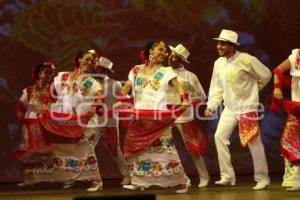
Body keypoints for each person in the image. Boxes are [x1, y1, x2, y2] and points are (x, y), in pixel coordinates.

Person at [204, 29, 271, 190]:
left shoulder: (247, 60)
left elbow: (266, 75)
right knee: (219, 136)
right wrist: (211, 105)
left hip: (247, 108)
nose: (219, 46)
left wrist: (254, 91)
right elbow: (217, 87)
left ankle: (262, 178)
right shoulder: (218, 63)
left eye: (223, 44)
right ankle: (227, 176)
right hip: (230, 108)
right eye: (218, 43)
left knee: (253, 141)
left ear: (232, 46)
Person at [120, 41, 190, 193]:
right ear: (151, 51)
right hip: (139, 117)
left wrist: (184, 100)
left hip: (159, 118)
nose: (164, 53)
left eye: (165, 51)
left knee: (166, 150)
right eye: (160, 49)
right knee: (137, 150)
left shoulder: (166, 72)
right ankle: (138, 181)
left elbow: (179, 88)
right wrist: (121, 100)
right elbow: (126, 88)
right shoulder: (136, 70)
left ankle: (182, 181)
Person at [49, 49, 103, 192]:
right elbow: (56, 93)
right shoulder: (66, 76)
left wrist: (94, 106)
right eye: (87, 59)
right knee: (69, 148)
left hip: (83, 116)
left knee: (85, 146)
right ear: (79, 60)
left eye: (92, 61)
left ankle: (97, 180)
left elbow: (99, 95)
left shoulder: (90, 81)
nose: (89, 62)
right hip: (68, 115)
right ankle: (71, 177)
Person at [167, 44, 210, 187]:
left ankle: (204, 176)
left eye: (176, 57)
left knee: (192, 147)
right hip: (165, 115)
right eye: (171, 54)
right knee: (164, 147)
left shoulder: (190, 76)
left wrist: (187, 103)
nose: (172, 58)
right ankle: (173, 178)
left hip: (184, 116)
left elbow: (202, 96)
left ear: (181, 60)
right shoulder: (162, 73)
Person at [16, 62, 55, 186]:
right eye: (46, 72)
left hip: (47, 123)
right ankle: (30, 179)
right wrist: (19, 113)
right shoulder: (29, 90)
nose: (49, 75)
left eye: (50, 72)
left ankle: (49, 179)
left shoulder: (54, 90)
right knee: (30, 150)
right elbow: (20, 105)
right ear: (39, 74)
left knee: (49, 150)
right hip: (30, 123)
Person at [93, 56, 130, 185]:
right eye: (97, 68)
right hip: (95, 121)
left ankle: (126, 175)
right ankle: (90, 177)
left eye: (100, 69)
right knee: (88, 148)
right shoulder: (92, 84)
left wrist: (114, 109)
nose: (98, 70)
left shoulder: (115, 84)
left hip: (111, 122)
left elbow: (126, 101)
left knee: (115, 149)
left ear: (106, 71)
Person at [273, 48, 300, 192]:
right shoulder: (297, 55)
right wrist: (277, 87)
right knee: (287, 140)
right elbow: (278, 70)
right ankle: (295, 179)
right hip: (297, 107)